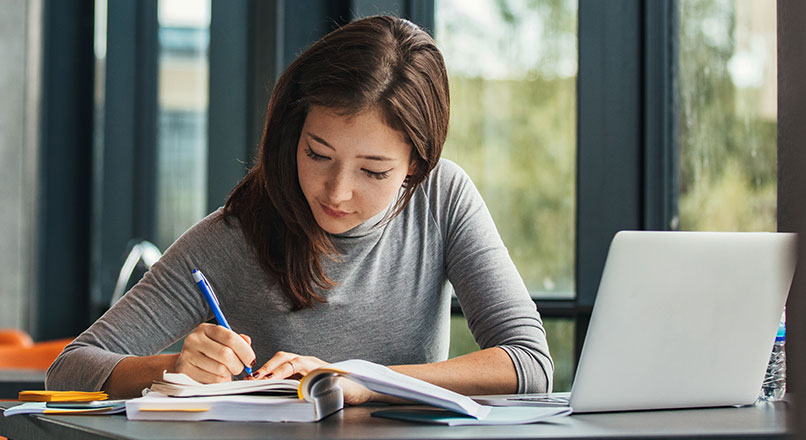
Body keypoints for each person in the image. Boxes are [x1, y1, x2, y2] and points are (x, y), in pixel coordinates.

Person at [46, 15, 552, 405]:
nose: (336, 192)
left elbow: (528, 363)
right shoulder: (236, 234)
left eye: (373, 172)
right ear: (293, 134)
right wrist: (173, 367)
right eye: (317, 154)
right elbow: (69, 369)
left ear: (416, 167)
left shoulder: (442, 198)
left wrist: (361, 379)